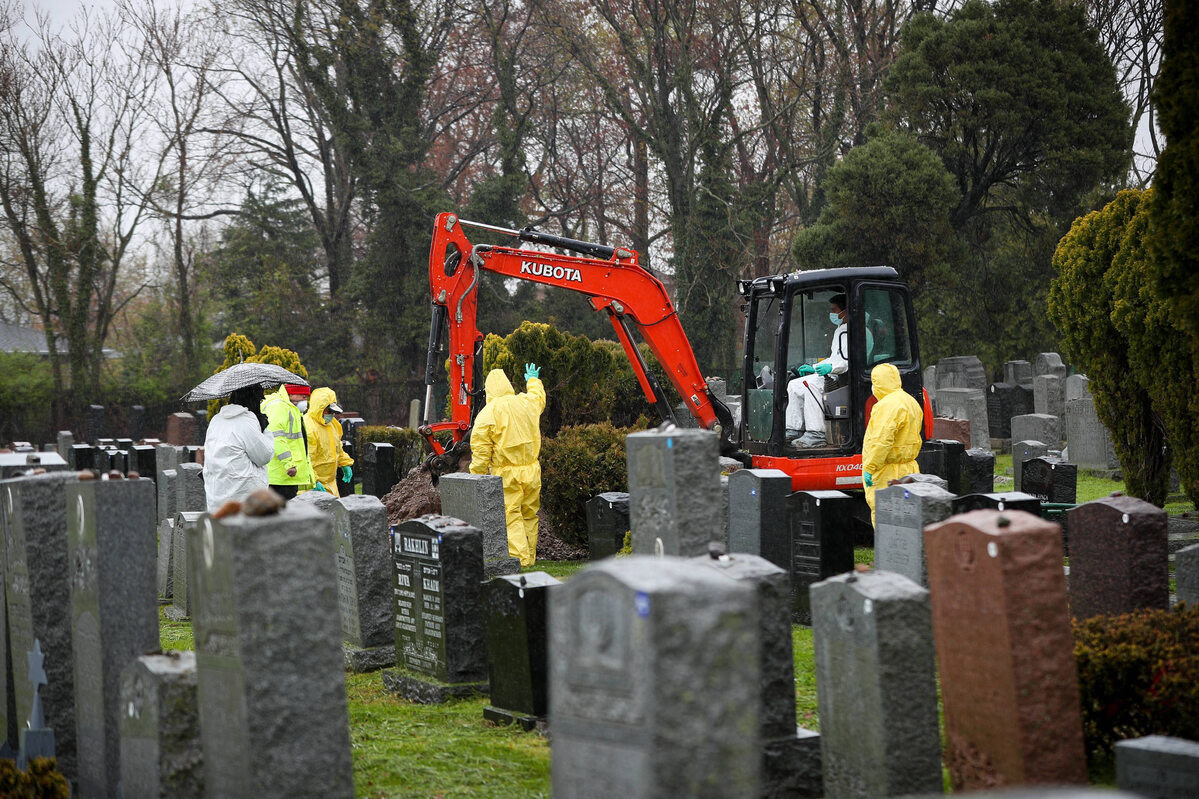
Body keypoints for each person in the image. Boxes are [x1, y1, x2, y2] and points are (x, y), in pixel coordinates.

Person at [469, 364, 545, 568]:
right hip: (532, 469)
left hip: (507, 473)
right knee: (529, 513)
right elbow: (538, 397)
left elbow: (481, 451)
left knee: (511, 516)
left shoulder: (487, 414)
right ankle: (530, 557)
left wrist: (476, 476)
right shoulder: (525, 402)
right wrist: (532, 380)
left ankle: (520, 561)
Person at [861, 362, 923, 528]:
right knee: (908, 516)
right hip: (909, 468)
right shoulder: (910, 401)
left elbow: (882, 441)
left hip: (887, 472)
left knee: (885, 517)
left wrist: (870, 467)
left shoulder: (886, 406)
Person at [786, 293, 850, 447]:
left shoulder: (852, 332)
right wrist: (814, 368)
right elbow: (836, 357)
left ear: (845, 311)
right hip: (834, 371)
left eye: (835, 310)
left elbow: (848, 361)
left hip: (842, 376)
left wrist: (831, 368)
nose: (832, 314)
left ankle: (816, 434)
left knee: (811, 385)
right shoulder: (840, 330)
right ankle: (794, 429)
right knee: (794, 386)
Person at [203, 385, 274, 512]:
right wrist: (266, 430)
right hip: (243, 493)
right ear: (253, 399)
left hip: (218, 491)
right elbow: (264, 456)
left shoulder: (216, 419)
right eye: (260, 400)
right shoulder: (246, 421)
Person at [261, 383, 316, 500]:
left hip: (285, 475)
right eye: (303, 396)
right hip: (280, 475)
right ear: (292, 393)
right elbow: (276, 437)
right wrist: (289, 463)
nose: (305, 399)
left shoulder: (291, 408)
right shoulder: (279, 407)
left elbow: (299, 443)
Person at [303, 387, 354, 496]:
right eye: (328, 410)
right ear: (319, 408)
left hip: (331, 484)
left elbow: (337, 448)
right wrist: (313, 480)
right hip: (311, 487)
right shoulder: (308, 427)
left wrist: (344, 463)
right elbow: (304, 459)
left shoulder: (333, 425)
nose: (331, 414)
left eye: (333, 411)